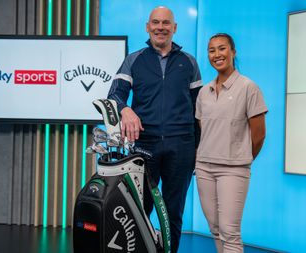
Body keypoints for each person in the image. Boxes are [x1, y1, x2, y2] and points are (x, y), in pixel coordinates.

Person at [107, 6, 202, 253]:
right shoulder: (134, 59)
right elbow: (114, 95)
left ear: (174, 28)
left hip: (181, 145)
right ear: (148, 27)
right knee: (140, 208)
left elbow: (199, 112)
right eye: (156, 23)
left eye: (166, 23)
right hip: (144, 145)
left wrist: (197, 151)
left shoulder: (189, 62)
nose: (161, 27)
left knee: (173, 211)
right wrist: (124, 109)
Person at [195, 33, 267, 253]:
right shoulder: (203, 92)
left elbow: (259, 135)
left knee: (230, 232)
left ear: (233, 52)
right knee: (215, 228)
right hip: (204, 167)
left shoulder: (248, 87)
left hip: (233, 169)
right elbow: (202, 131)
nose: (217, 54)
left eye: (222, 48)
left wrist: (240, 158)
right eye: (212, 50)